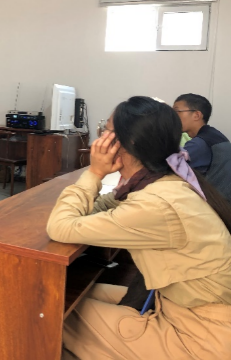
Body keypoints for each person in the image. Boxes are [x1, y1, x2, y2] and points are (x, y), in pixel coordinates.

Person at [46, 96, 231, 359]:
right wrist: (91, 189)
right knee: (65, 292)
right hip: (178, 306)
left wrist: (94, 173)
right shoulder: (166, 181)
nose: (100, 138)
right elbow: (103, 207)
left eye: (106, 130)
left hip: (199, 336)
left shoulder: (156, 204)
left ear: (128, 142)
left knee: (48, 311)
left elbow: (60, 227)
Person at [173, 93, 231, 202]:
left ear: (197, 115)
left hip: (216, 205)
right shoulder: (215, 135)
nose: (172, 117)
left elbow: (170, 169)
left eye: (176, 112)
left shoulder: (199, 144)